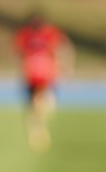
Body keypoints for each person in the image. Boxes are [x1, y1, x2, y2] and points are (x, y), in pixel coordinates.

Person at [13, 11, 74, 151]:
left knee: (46, 105)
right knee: (34, 106)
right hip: (32, 76)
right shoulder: (25, 34)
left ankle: (38, 128)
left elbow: (64, 47)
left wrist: (66, 66)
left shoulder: (51, 33)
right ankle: (37, 131)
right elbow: (19, 53)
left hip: (47, 75)